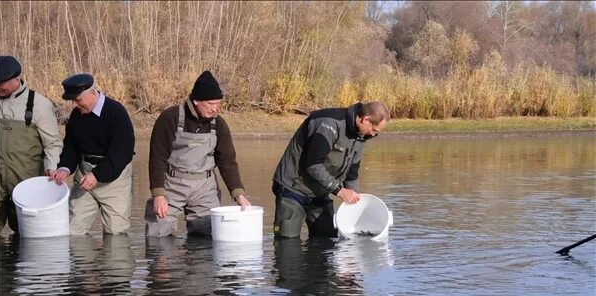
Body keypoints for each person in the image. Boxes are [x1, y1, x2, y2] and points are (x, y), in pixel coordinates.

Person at [145, 70, 250, 237]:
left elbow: (227, 162)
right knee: (158, 234)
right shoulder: (170, 117)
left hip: (205, 187)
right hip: (172, 184)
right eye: (211, 103)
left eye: (218, 103)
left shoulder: (219, 124)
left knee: (208, 238)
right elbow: (157, 158)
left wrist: (239, 194)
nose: (215, 108)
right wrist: (158, 195)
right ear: (196, 101)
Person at [272, 101, 390, 239]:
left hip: (320, 191)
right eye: (375, 130)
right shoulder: (329, 123)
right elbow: (313, 165)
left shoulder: (362, 136)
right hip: (292, 187)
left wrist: (357, 202)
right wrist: (340, 191)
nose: (373, 134)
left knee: (327, 239)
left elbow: (352, 173)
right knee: (287, 241)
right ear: (366, 120)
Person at [50, 73, 135, 235]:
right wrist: (64, 168)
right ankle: (83, 260)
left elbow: (122, 153)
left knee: (115, 233)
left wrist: (97, 175)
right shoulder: (76, 116)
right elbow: (71, 146)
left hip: (115, 180)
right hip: (84, 174)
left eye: (78, 100)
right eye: (72, 100)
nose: (75, 104)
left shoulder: (116, 113)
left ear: (92, 93)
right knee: (71, 231)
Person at [0, 55, 63, 236]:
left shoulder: (40, 105)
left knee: (27, 232)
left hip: (28, 181)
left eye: (0, 84)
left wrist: (51, 167)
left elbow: (53, 143)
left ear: (16, 80)